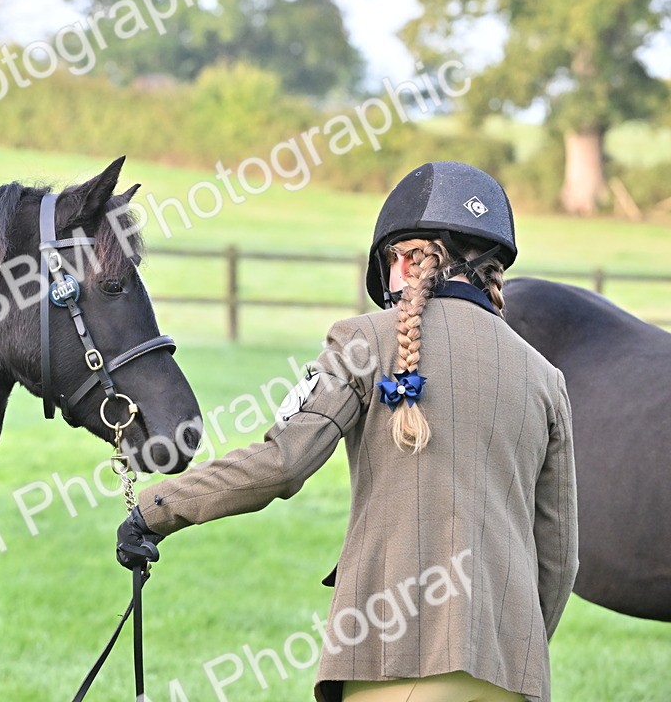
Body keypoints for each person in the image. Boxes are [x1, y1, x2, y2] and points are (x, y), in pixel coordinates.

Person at [117, 162, 578, 702]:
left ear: (405, 259)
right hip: (510, 678)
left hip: (393, 660)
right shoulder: (547, 378)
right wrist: (512, 646)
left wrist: (156, 508)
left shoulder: (362, 340)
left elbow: (283, 462)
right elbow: (560, 557)